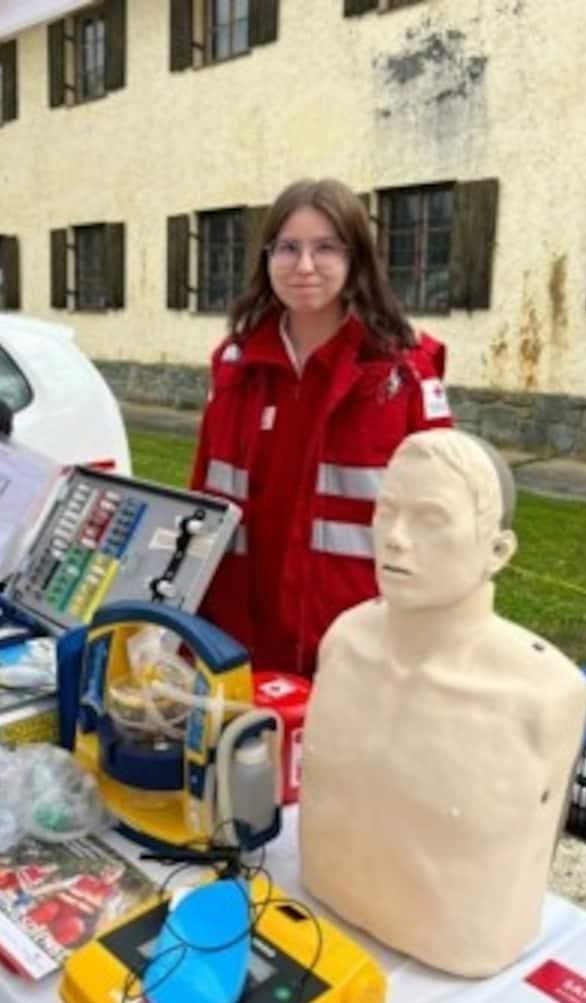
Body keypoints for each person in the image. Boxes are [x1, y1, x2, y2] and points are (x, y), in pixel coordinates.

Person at [299, 429, 586, 976]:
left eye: (430, 519)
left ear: (497, 551)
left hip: (461, 954)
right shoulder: (343, 644)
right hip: (316, 916)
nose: (396, 539)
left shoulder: (540, 697)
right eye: (387, 511)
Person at [190, 178, 452, 677]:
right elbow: (203, 492)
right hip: (240, 636)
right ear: (267, 260)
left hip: (359, 642)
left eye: (325, 247)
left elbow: (443, 518)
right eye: (287, 248)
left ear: (356, 259)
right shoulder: (234, 366)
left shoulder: (403, 372)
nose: (304, 266)